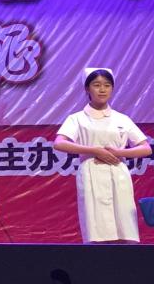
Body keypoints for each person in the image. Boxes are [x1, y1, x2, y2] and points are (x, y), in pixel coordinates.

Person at [53, 67, 151, 243]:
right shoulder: (77, 118)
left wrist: (119, 152)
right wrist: (94, 150)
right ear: (87, 89)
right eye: (96, 85)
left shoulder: (121, 119)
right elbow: (59, 143)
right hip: (91, 173)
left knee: (124, 227)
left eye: (107, 85)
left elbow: (146, 148)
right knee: (96, 227)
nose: (102, 89)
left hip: (118, 172)